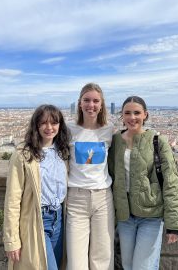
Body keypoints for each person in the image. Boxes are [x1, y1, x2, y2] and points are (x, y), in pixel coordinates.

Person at [108, 96, 178, 270]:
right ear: (122, 116)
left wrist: (174, 224)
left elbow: (171, 181)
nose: (132, 117)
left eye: (137, 112)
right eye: (127, 113)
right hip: (124, 215)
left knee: (143, 266)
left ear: (145, 115)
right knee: (127, 265)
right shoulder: (115, 142)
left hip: (151, 215)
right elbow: (110, 175)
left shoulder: (157, 141)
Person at [3, 104, 70, 270]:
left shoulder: (63, 151)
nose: (49, 127)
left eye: (54, 123)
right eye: (43, 123)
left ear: (60, 125)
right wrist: (12, 240)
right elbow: (12, 199)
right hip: (36, 219)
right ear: (36, 125)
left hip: (59, 219)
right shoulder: (23, 154)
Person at [66, 83, 115, 270]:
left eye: (96, 101)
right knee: (76, 261)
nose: (91, 105)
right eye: (86, 100)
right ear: (79, 103)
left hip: (103, 197)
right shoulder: (69, 129)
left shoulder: (109, 130)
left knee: (102, 258)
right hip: (76, 198)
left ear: (101, 104)